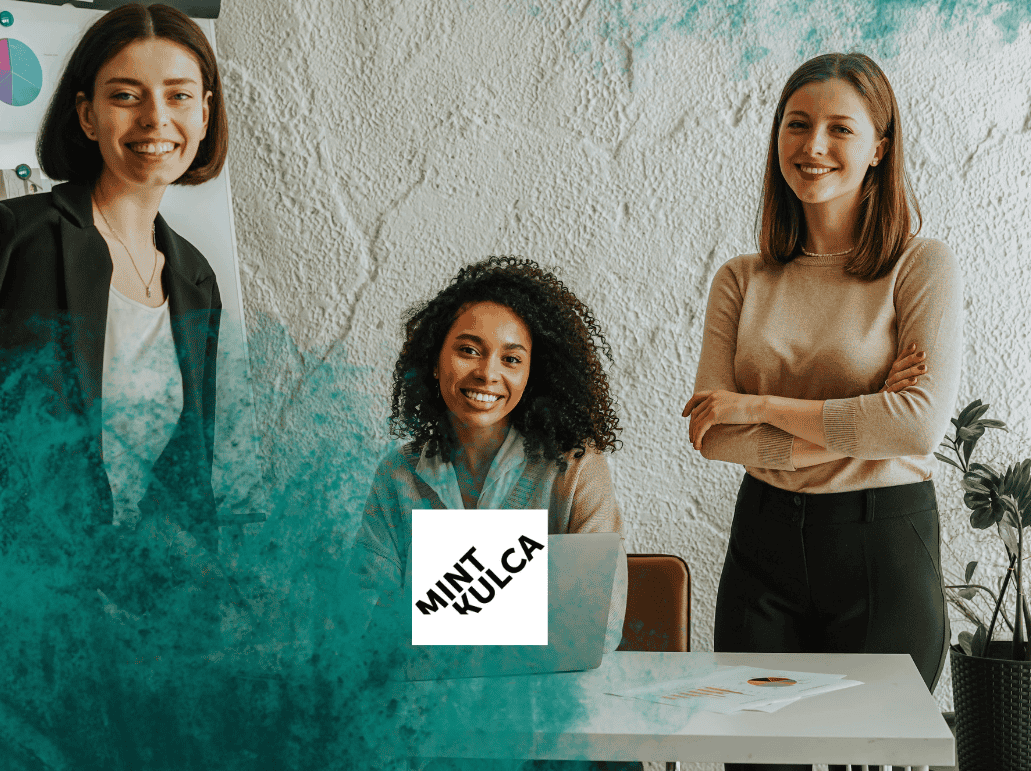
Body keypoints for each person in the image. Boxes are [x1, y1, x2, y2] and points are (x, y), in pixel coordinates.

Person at [0, 2, 230, 770]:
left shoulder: (195, 279)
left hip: (129, 629)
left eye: (179, 95)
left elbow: (190, 472)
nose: (156, 118)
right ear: (85, 114)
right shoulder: (17, 236)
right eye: (125, 95)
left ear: (205, 114)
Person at [682, 53, 962, 771]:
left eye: (841, 128)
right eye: (797, 124)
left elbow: (917, 425)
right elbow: (714, 433)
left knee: (867, 762)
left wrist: (760, 405)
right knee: (755, 760)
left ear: (880, 148)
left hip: (882, 547)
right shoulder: (741, 279)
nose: (813, 146)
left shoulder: (919, 267)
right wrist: (864, 422)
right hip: (764, 544)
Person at [354, 256, 638, 771]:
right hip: (432, 725)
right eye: (468, 350)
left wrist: (438, 617)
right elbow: (366, 616)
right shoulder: (398, 474)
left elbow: (597, 625)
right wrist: (523, 614)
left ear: (532, 374)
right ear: (435, 359)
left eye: (511, 358)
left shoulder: (576, 468)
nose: (487, 373)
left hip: (551, 724)